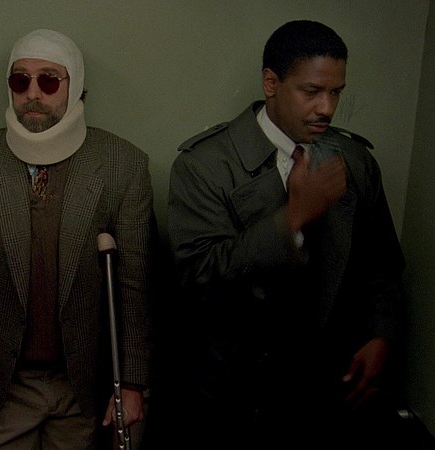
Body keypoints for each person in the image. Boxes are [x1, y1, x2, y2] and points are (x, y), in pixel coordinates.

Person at [167, 20, 407, 449]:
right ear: (271, 83)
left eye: (336, 92)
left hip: (328, 394)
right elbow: (199, 274)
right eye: (311, 91)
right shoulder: (205, 165)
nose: (326, 108)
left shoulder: (353, 161)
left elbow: (381, 264)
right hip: (237, 395)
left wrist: (380, 334)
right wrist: (292, 217)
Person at [0, 29, 153, 449]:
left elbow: (135, 285)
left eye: (49, 81)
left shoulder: (122, 165)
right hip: (4, 385)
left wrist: (131, 383)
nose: (32, 93)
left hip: (83, 383)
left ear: (76, 86)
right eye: (21, 81)